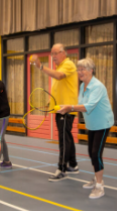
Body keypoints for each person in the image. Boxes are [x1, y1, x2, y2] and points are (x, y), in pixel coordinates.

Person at [57, 58, 114, 199]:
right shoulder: (82, 86)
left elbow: (88, 106)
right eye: (79, 69)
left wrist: (69, 107)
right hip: (92, 124)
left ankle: (100, 186)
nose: (80, 72)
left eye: (83, 69)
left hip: (103, 124)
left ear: (91, 70)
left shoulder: (97, 86)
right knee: (91, 152)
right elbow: (79, 104)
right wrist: (63, 107)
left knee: (96, 153)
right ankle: (96, 177)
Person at [31, 44, 79, 181]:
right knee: (67, 137)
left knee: (64, 139)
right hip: (59, 108)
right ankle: (73, 164)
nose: (53, 57)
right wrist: (50, 103)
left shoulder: (68, 64)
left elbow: (58, 77)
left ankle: (62, 169)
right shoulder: (60, 66)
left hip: (66, 109)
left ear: (63, 53)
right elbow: (60, 87)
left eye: (55, 53)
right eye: (52, 54)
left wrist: (41, 66)